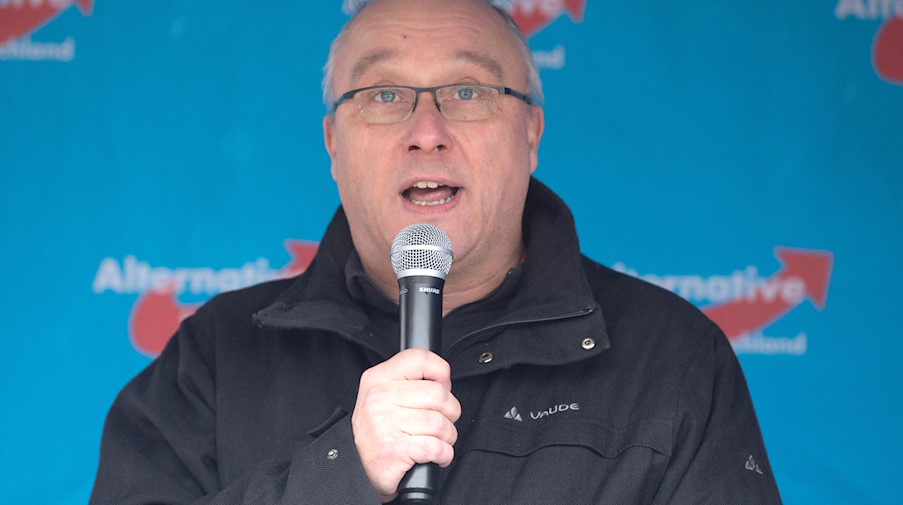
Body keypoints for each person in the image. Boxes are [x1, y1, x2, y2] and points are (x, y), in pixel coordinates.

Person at [90, 0, 783, 503]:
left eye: (467, 91)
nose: (427, 130)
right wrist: (341, 470)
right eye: (385, 93)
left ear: (531, 134)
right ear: (333, 142)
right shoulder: (213, 360)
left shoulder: (672, 360)